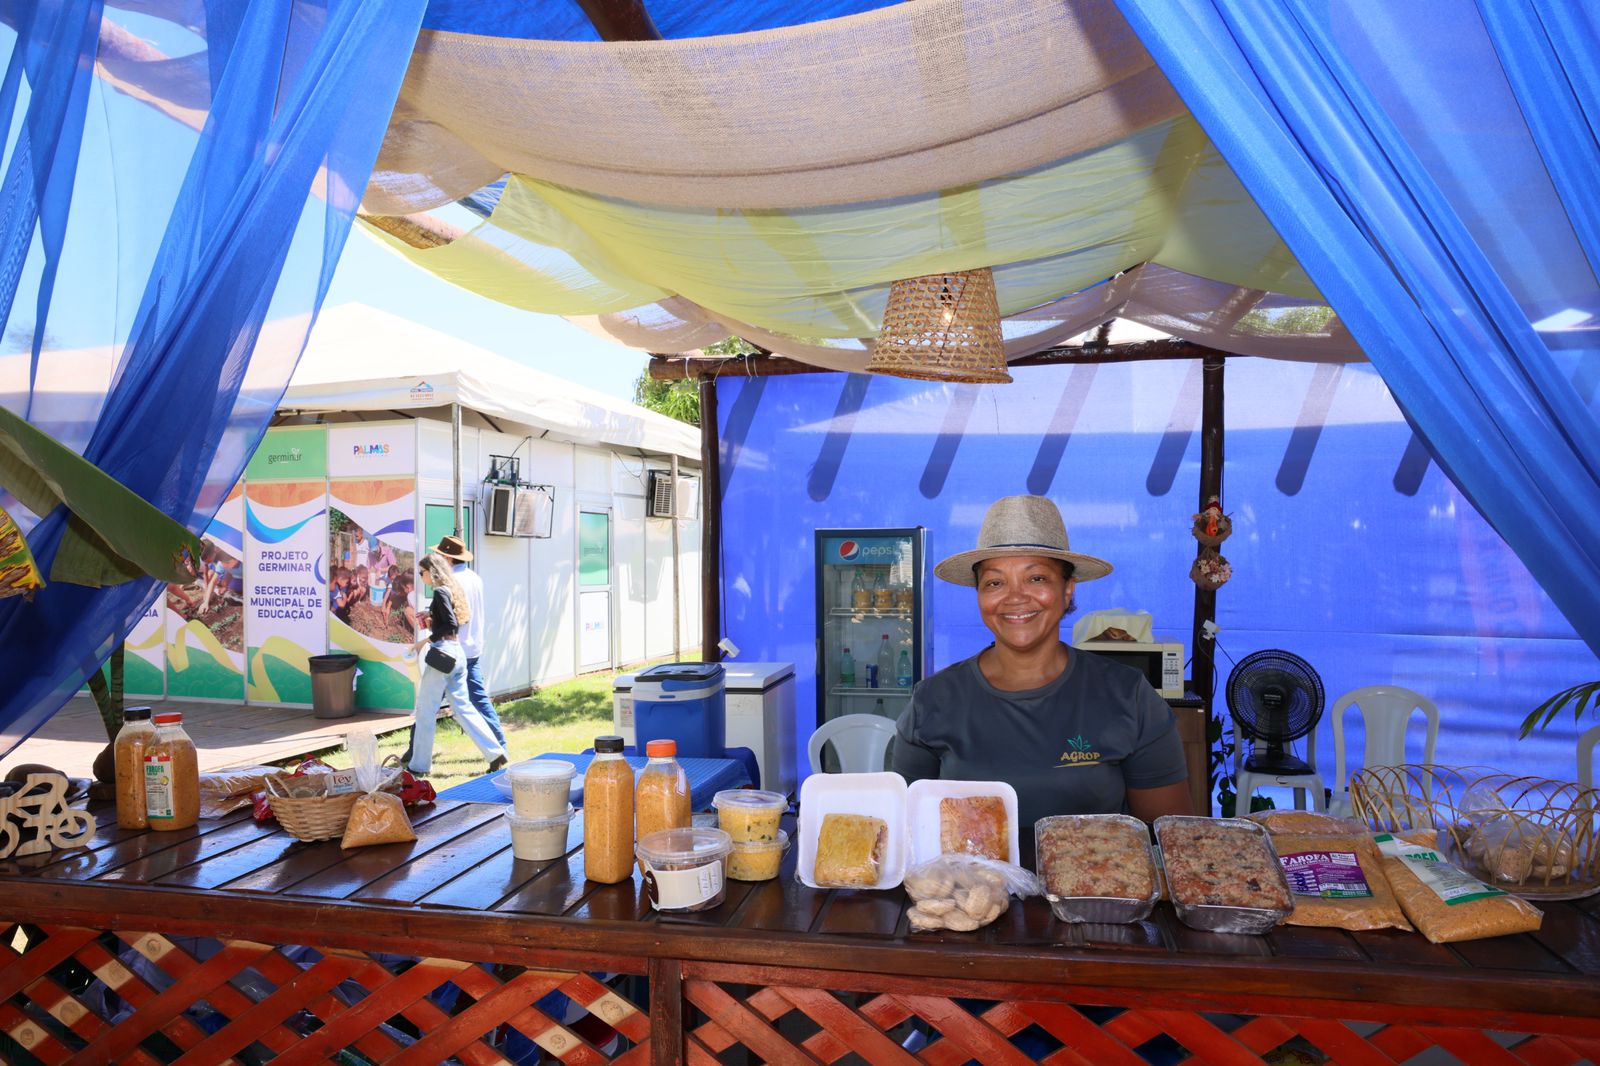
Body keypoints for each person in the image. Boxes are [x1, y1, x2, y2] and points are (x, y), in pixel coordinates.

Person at [893, 495, 1191, 847]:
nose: (1015, 597)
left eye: (1036, 578)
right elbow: (906, 833)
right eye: (994, 582)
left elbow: (1168, 840)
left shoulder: (1128, 695)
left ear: (1067, 591)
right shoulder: (933, 700)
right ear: (979, 595)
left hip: (1095, 897)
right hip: (968, 897)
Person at [405, 552, 507, 776]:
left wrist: (426, 640)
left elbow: (450, 623)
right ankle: (495, 752)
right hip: (457, 654)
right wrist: (432, 618)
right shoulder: (452, 590)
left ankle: (418, 765)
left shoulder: (440, 591)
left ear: (431, 572)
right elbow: (455, 621)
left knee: (425, 711)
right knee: (463, 708)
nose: (421, 577)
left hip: (443, 655)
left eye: (421, 572)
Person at [432, 534, 507, 749]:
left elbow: (452, 620)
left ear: (447, 558)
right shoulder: (474, 577)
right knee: (478, 700)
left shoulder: (450, 583)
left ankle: (414, 752)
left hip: (451, 648)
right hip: (472, 648)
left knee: (430, 701)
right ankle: (499, 744)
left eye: (439, 555)